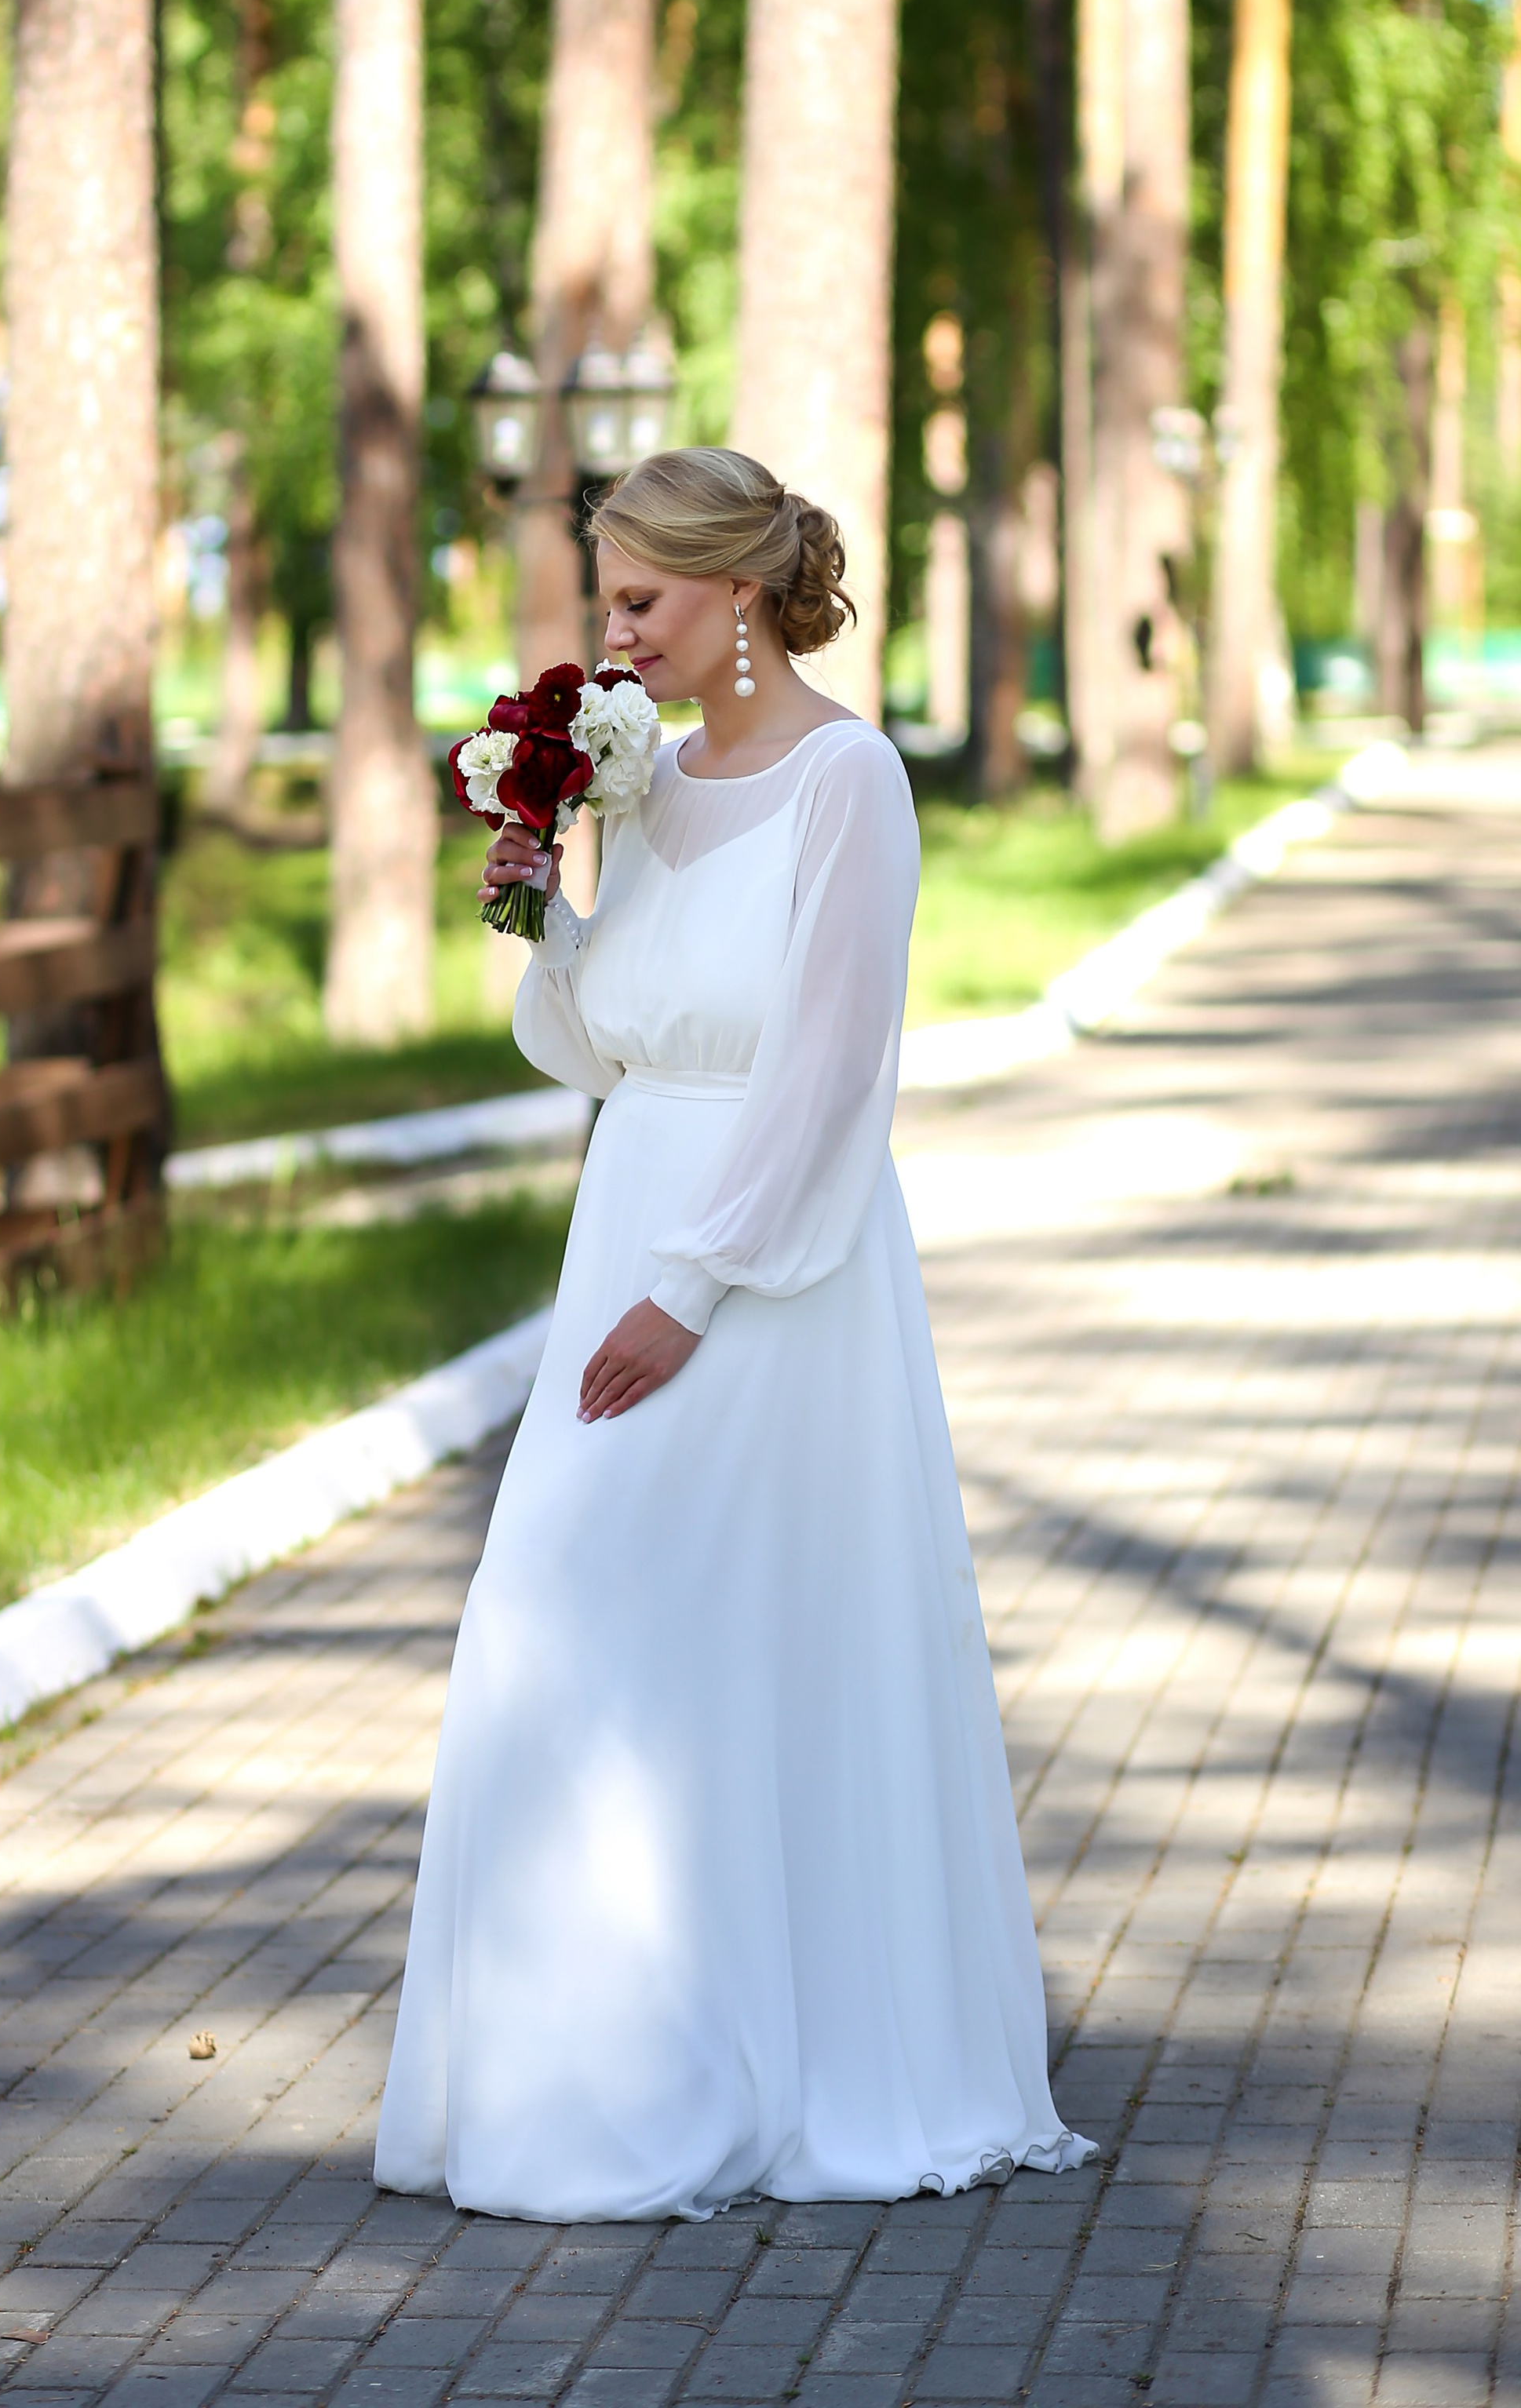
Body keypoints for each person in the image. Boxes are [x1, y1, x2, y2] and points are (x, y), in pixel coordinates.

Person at [374, 446, 1091, 2222]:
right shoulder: (650, 779)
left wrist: (690, 1289)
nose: (610, 635)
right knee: (554, 1615)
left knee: (730, 1639)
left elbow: (835, 1065)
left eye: (641, 599)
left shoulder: (850, 781)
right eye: (603, 599)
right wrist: (541, 871)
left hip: (764, 1266)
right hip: (627, 1207)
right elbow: (583, 1045)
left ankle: (791, 2063)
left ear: (740, 595)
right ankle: (590, 2069)